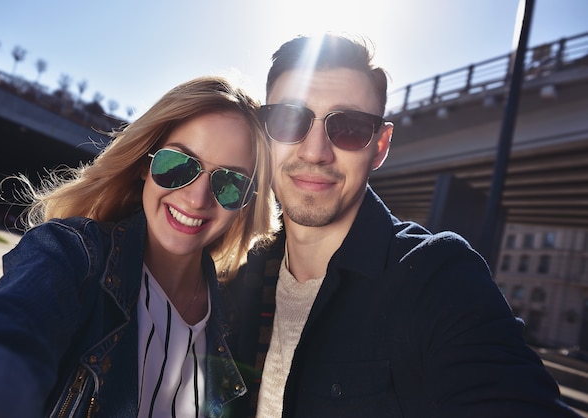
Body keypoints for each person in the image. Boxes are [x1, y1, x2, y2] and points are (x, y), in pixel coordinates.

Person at [226, 34, 581, 417]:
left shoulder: (437, 277)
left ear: (380, 146)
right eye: (290, 119)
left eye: (349, 127)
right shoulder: (238, 269)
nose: (315, 151)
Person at [0, 75, 279, 417]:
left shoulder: (234, 317)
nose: (197, 197)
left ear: (246, 202)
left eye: (229, 182)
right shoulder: (73, 254)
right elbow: (4, 338)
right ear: (146, 163)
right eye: (179, 165)